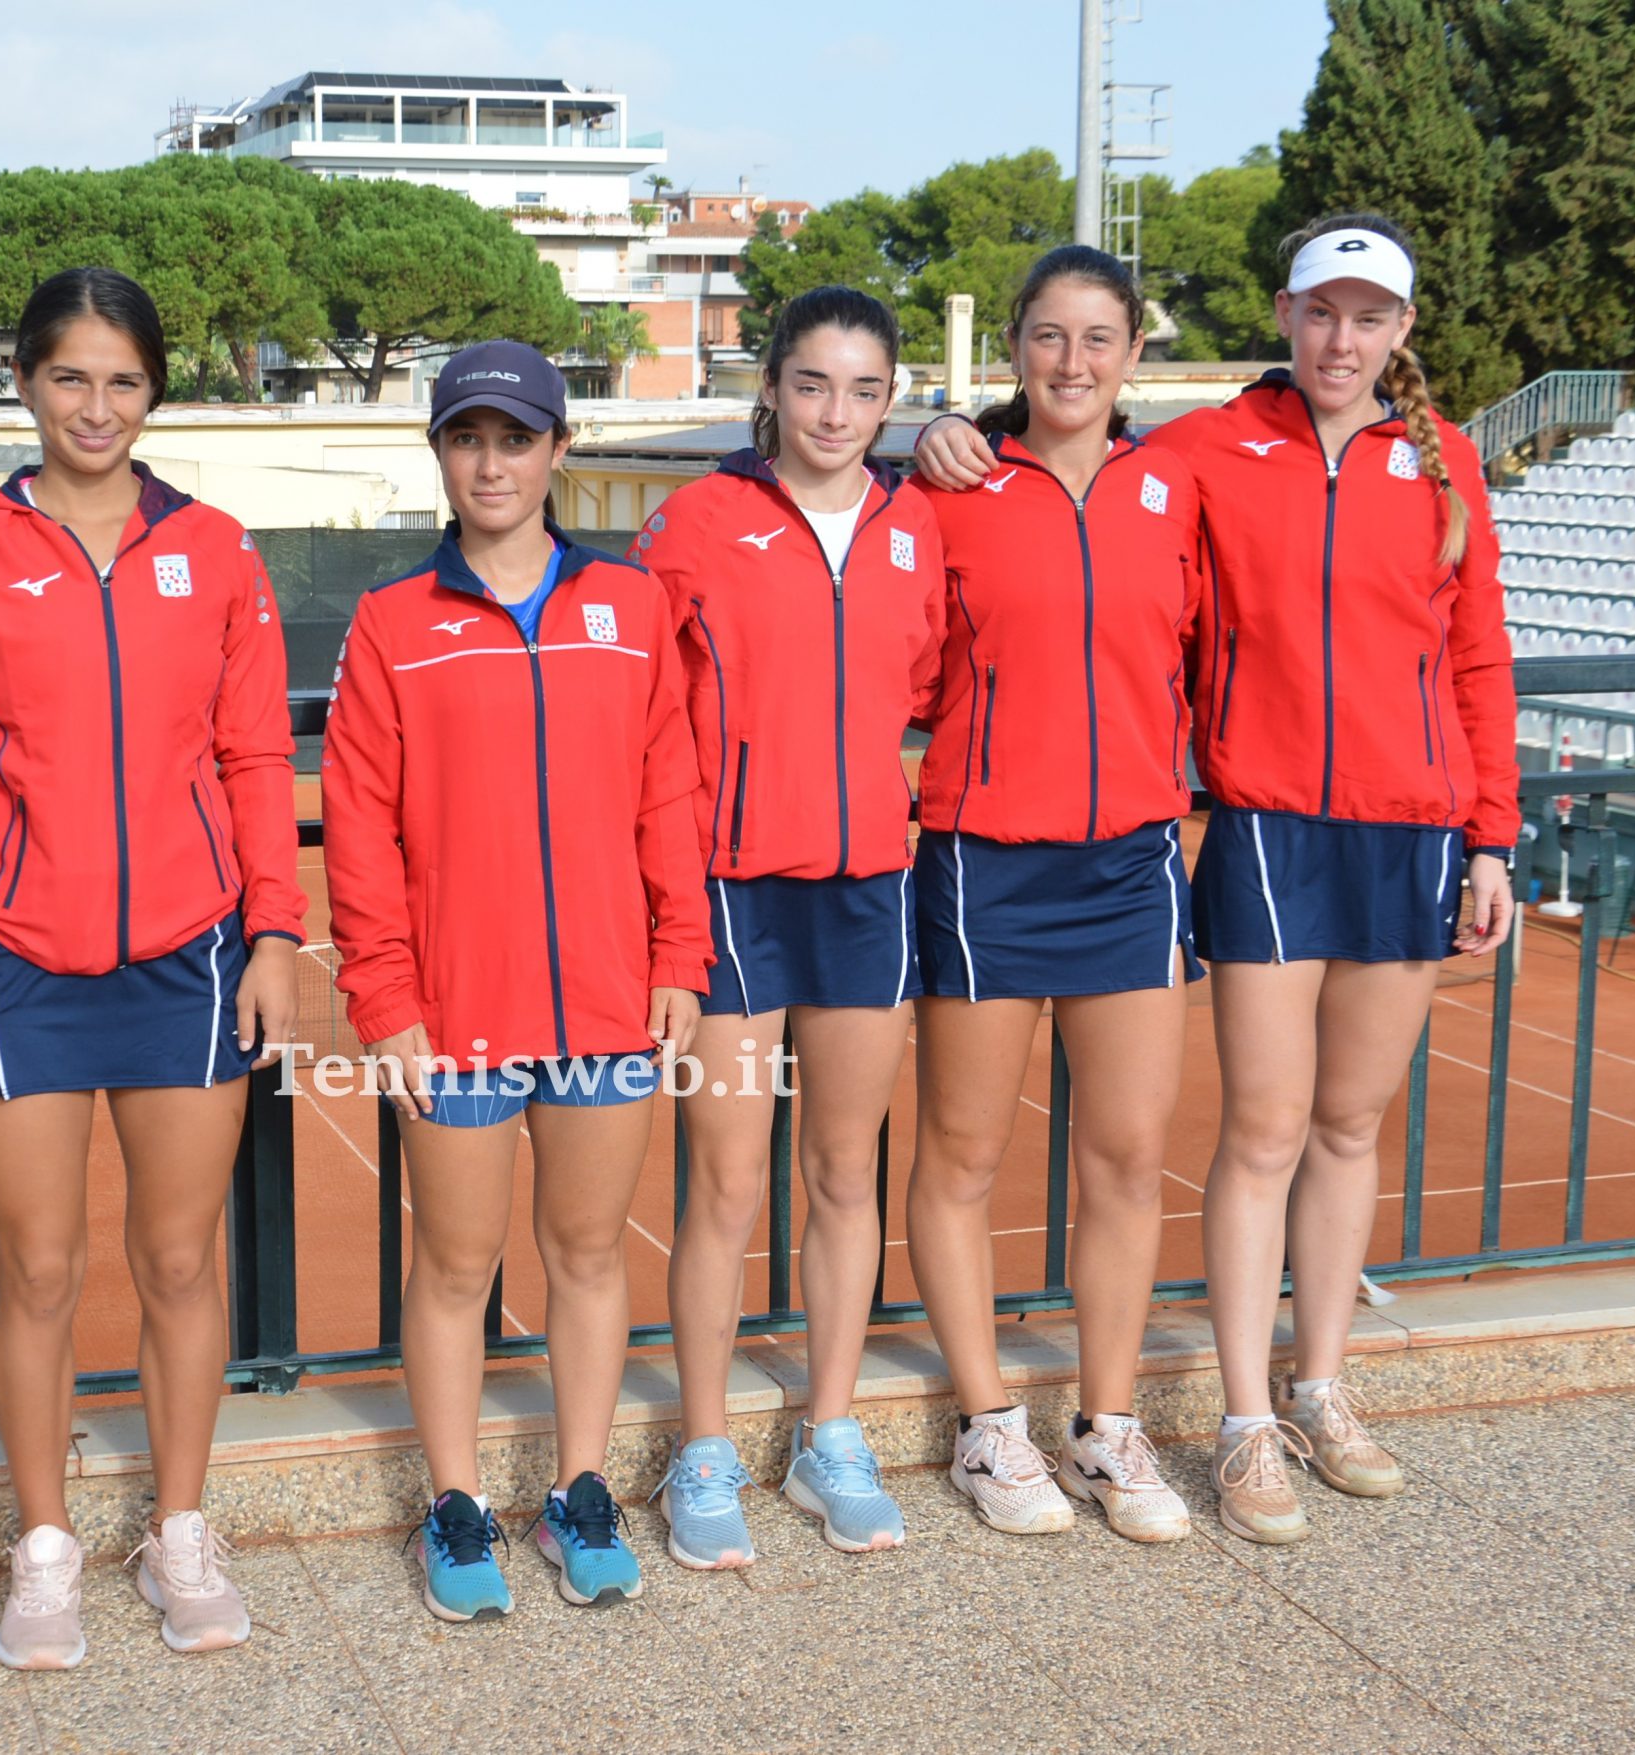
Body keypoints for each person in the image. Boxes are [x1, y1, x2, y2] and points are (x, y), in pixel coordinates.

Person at [913, 213, 1517, 1543]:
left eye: (1369, 316)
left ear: (1401, 330)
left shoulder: (1443, 460)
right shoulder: (1199, 453)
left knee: (1346, 1126)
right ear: (1284, 316)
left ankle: (1317, 1388)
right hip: (1255, 826)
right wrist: (945, 425)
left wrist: (1492, 834)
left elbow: (1477, 654)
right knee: (1260, 1127)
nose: (1342, 338)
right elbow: (1047, 454)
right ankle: (1239, 1425)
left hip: (1408, 827)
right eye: (1321, 311)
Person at [0, 267, 304, 1664]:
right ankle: (47, 1548)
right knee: (42, 1268)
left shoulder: (219, 551)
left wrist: (275, 930)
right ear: (26, 382)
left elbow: (256, 757)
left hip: (191, 960)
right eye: (70, 376)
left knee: (180, 1258)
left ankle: (180, 1530)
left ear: (154, 391)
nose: (96, 405)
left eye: (124, 380)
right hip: (16, 967)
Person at [321, 341, 712, 1620]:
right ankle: (454, 1505)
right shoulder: (393, 622)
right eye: (467, 439)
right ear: (440, 453)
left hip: (607, 1000)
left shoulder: (632, 605)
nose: (491, 464)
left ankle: (578, 1490)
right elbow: (360, 827)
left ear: (557, 450)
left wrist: (678, 953)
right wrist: (386, 1000)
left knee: (589, 1254)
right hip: (454, 1013)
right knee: (454, 1265)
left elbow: (668, 793)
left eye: (516, 439)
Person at [637, 286, 945, 1566]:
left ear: (890, 401)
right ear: (769, 387)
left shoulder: (917, 525)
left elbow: (919, 681)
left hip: (866, 886)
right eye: (811, 384)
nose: (834, 413)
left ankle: (830, 1433)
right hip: (732, 887)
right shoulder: (696, 524)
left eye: (863, 390)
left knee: (843, 1171)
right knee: (722, 1182)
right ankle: (703, 1451)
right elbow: (648, 712)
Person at [906, 246, 1204, 1544]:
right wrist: (925, 437)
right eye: (1046, 335)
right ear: (1013, 349)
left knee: (1127, 1156)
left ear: (1133, 352)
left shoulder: (1177, 485)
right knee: (962, 1155)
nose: (1071, 361)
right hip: (984, 860)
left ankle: (1107, 1423)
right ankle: (987, 1423)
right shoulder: (949, 488)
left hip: (1131, 863)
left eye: (1096, 338)